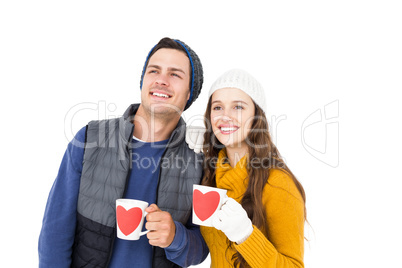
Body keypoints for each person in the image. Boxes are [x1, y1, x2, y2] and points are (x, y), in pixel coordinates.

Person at [38, 37, 209, 268]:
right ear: (143, 81)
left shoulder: (200, 158)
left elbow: (203, 248)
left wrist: (176, 237)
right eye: (154, 71)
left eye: (175, 74)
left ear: (190, 93)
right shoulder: (90, 139)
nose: (161, 80)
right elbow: (55, 233)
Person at [200, 69, 306, 267]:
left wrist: (245, 236)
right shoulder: (210, 177)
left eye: (238, 107)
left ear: (257, 116)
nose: (225, 116)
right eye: (217, 108)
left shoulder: (278, 183)